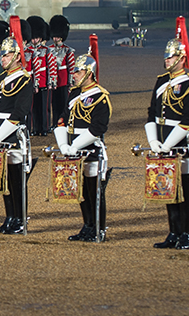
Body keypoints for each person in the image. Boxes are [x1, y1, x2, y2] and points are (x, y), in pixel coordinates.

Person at [146, 29, 189, 250]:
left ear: (181, 58)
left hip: (179, 144)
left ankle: (187, 234)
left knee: (185, 193)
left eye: (170, 56)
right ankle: (174, 232)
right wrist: (154, 141)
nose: (166, 60)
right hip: (161, 141)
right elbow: (152, 113)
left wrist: (170, 143)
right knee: (167, 191)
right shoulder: (161, 81)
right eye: (166, 56)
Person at [54, 51, 111, 242]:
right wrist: (63, 143)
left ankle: (99, 228)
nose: (74, 75)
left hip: (91, 150)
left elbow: (98, 127)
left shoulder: (100, 96)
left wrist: (76, 145)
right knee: (82, 193)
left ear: (89, 73)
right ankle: (87, 226)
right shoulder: (75, 93)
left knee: (95, 192)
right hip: (74, 151)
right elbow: (63, 118)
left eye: (78, 72)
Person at [0, 33, 32, 234]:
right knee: (3, 181)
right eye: (2, 55)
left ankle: (20, 220)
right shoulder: (3, 77)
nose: (2, 58)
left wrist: (0, 135)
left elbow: (20, 111)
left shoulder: (25, 79)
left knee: (17, 181)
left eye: (6, 55)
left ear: (17, 56)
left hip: (12, 134)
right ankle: (9, 217)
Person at [48, 15, 76, 134]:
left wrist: (71, 82)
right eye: (54, 37)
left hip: (63, 80)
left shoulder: (68, 50)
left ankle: (63, 123)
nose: (56, 39)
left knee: (64, 104)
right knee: (54, 104)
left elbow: (71, 67)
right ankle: (55, 123)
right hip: (53, 80)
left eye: (58, 37)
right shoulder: (48, 49)